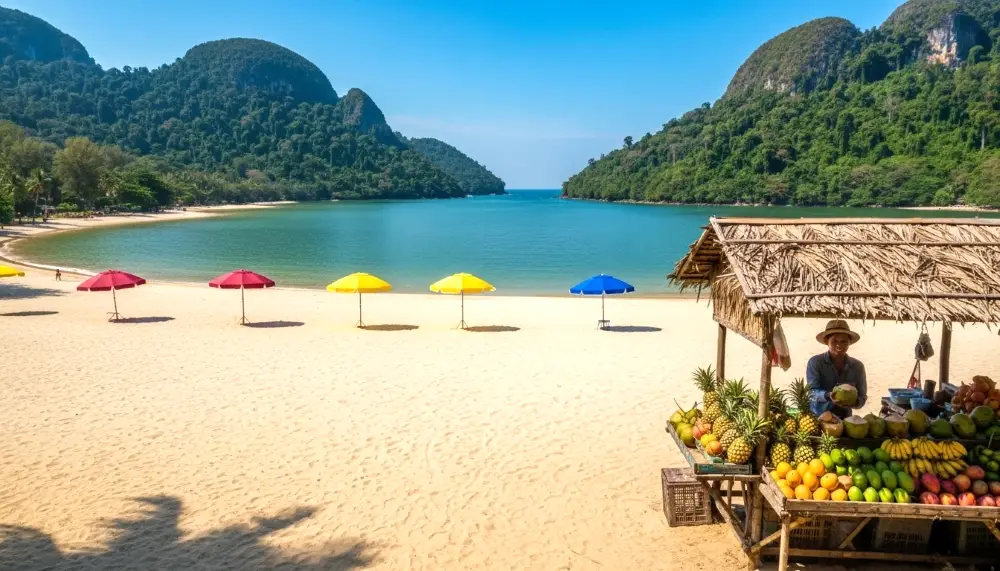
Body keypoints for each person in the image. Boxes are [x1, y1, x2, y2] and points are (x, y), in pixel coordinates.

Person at [806, 319, 867, 418]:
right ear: (826, 341)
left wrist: (853, 402)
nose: (839, 345)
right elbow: (811, 392)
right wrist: (827, 395)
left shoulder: (858, 366)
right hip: (818, 417)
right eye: (834, 341)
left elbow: (862, 397)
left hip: (846, 419)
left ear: (849, 342)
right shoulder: (815, 362)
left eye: (844, 341)